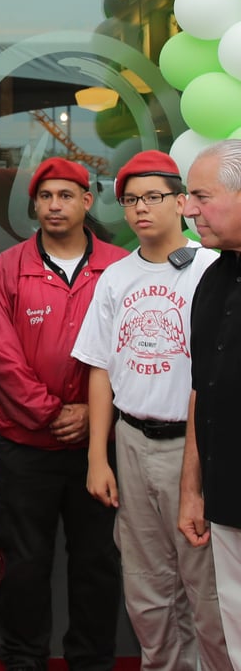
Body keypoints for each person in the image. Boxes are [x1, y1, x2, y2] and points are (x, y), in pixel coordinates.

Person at [71, 150, 228, 671]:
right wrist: (99, 456)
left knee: (205, 586)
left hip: (194, 446)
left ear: (182, 202)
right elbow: (98, 368)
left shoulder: (213, 267)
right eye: (131, 200)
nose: (142, 209)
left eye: (154, 197)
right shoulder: (115, 277)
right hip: (132, 442)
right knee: (145, 585)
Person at [0, 156, 127, 670]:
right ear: (34, 205)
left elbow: (131, 351)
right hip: (23, 447)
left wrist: (91, 413)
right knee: (23, 566)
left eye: (66, 195)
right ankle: (23, 660)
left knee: (97, 564)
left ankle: (92, 661)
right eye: (45, 197)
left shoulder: (118, 268)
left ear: (87, 202)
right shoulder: (8, 267)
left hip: (97, 450)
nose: (55, 205)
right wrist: (50, 412)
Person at [179, 138, 241, 670]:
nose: (189, 209)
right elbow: (204, 391)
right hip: (226, 503)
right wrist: (191, 489)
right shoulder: (212, 280)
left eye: (201, 194)